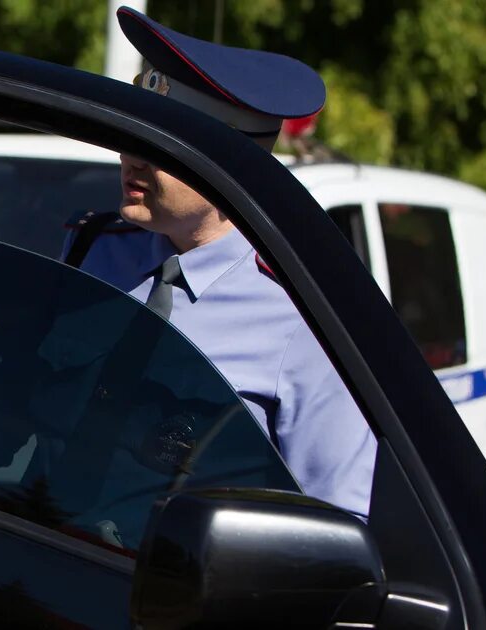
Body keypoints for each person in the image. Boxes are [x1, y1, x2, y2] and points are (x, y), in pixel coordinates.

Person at [61, 6, 376, 518]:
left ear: (227, 162)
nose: (130, 156)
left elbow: (335, 525)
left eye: (155, 145)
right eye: (130, 136)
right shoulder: (92, 248)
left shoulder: (305, 317)